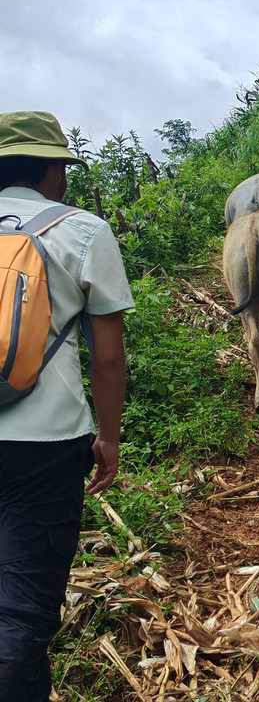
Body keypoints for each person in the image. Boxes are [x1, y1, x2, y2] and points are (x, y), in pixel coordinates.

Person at [0, 111, 134, 702]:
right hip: (47, 448)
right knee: (22, 611)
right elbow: (108, 359)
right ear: (53, 170)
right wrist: (108, 437)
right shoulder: (83, 231)